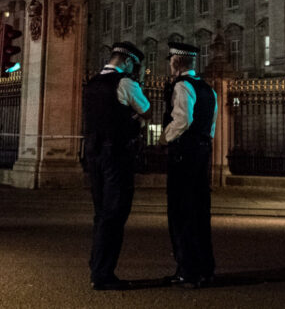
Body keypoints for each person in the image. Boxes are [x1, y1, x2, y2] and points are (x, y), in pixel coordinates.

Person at [82, 41, 151, 291]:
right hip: (116, 154)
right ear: (129, 61)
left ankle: (96, 264)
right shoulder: (125, 83)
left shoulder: (92, 83)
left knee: (101, 212)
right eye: (136, 65)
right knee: (115, 212)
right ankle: (103, 273)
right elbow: (146, 110)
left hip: (93, 152)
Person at [162, 41, 217, 289]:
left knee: (181, 212)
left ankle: (187, 269)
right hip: (202, 152)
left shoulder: (182, 86)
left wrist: (164, 138)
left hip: (184, 153)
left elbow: (182, 119)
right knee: (200, 212)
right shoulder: (208, 88)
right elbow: (212, 126)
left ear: (175, 62)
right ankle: (205, 268)